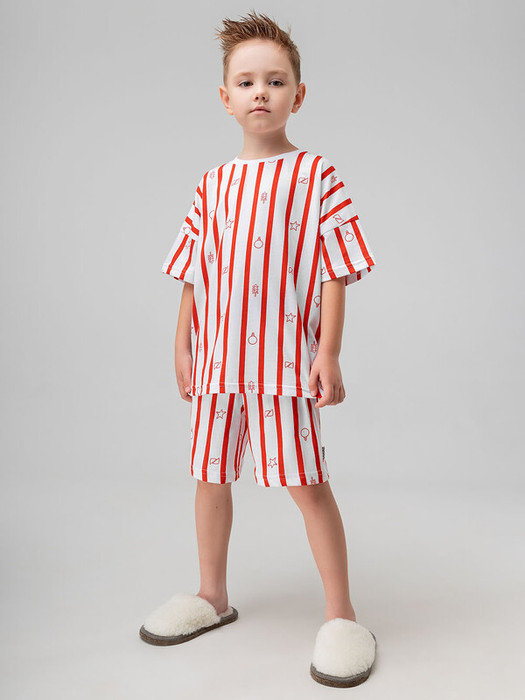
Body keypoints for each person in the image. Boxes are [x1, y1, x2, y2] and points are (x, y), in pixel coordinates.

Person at [140, 11, 378, 688]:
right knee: (209, 474)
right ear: (225, 98)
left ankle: (341, 615)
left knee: (307, 484)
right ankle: (211, 594)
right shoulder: (211, 185)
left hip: (285, 362)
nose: (261, 93)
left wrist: (328, 353)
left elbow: (335, 270)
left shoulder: (316, 175)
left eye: (275, 81)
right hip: (218, 362)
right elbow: (193, 272)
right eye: (245, 82)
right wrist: (182, 344)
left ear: (298, 94)